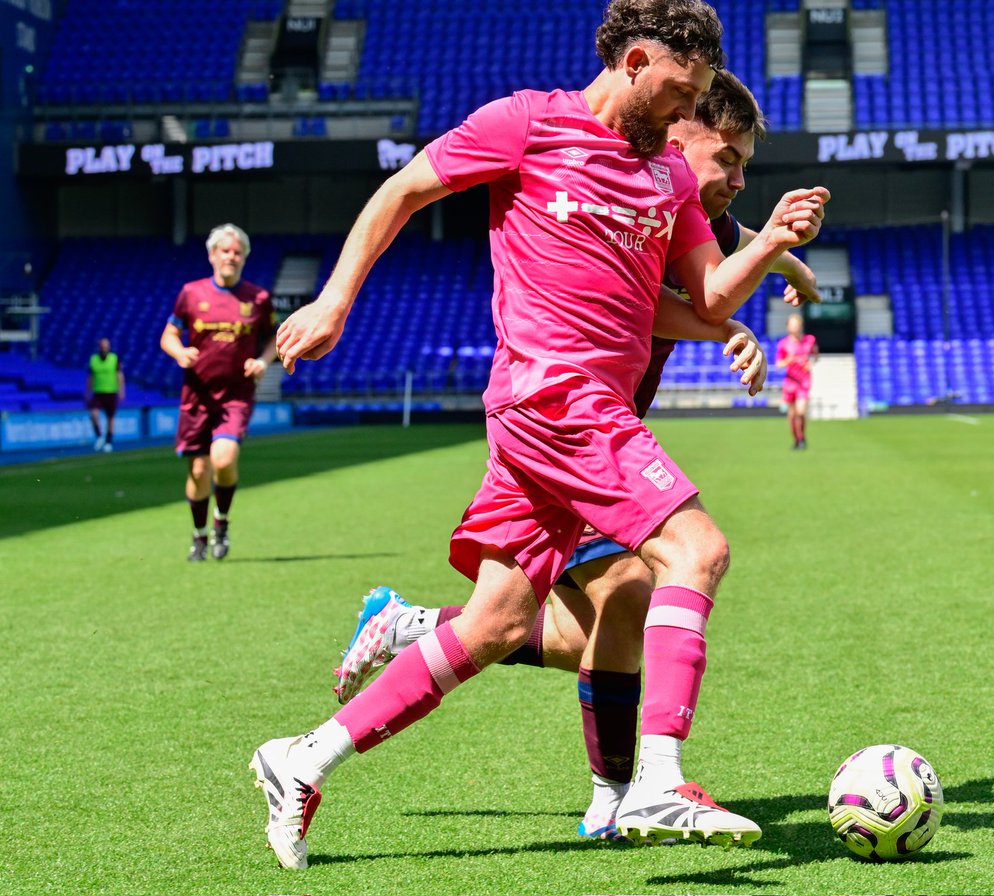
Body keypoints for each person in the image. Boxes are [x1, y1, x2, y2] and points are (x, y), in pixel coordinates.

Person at [251, 0, 828, 869]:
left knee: (495, 624)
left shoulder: (668, 179)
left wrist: (775, 242)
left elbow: (708, 296)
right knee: (695, 551)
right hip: (555, 395)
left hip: (572, 415)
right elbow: (403, 190)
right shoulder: (526, 125)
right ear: (635, 63)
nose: (687, 112)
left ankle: (302, 759)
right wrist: (334, 299)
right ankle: (655, 781)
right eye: (681, 92)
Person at [159, 223, 276, 562]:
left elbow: (274, 338)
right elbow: (168, 335)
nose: (231, 257)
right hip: (197, 396)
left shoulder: (258, 298)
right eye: (225, 251)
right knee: (198, 470)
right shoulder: (191, 293)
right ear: (212, 255)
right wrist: (180, 353)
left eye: (237, 252)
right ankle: (199, 536)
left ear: (245, 258)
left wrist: (263, 361)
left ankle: (221, 522)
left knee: (223, 459)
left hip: (236, 395)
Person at [776, 312, 818, 449]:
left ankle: (802, 437)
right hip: (790, 382)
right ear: (788, 327)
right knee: (792, 415)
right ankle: (796, 438)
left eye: (797, 325)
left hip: (804, 381)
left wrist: (811, 362)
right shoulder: (784, 344)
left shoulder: (810, 340)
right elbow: (779, 363)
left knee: (801, 411)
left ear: (801, 326)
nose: (795, 327)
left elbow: (815, 355)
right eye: (792, 325)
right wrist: (788, 360)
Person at [85, 337, 124, 452]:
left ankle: (108, 442)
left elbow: (119, 375)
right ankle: (99, 436)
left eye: (106, 346)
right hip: (98, 391)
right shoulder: (94, 359)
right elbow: (91, 376)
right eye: (102, 346)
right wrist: (88, 391)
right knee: (93, 414)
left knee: (110, 418)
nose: (104, 348)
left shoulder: (114, 358)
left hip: (111, 391)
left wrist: (121, 390)